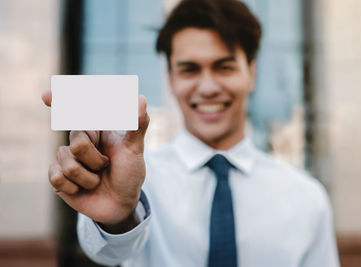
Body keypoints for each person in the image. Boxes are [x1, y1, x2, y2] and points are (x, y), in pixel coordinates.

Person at [42, 0, 340, 266]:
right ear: (170, 78)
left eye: (224, 67)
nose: (208, 87)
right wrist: (119, 219)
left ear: (252, 72)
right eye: (190, 70)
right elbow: (106, 253)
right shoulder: (134, 182)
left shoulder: (306, 198)